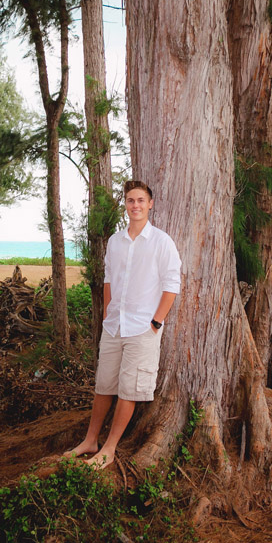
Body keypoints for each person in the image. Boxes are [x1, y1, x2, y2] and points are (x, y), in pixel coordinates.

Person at [67, 180, 181, 468]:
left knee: (130, 389)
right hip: (115, 325)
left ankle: (110, 447)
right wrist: (108, 312)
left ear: (150, 204)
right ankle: (90, 440)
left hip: (143, 328)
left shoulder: (161, 242)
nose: (136, 205)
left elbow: (172, 284)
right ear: (125, 204)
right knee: (104, 385)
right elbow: (108, 279)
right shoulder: (115, 242)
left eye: (141, 200)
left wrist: (156, 322)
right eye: (131, 200)